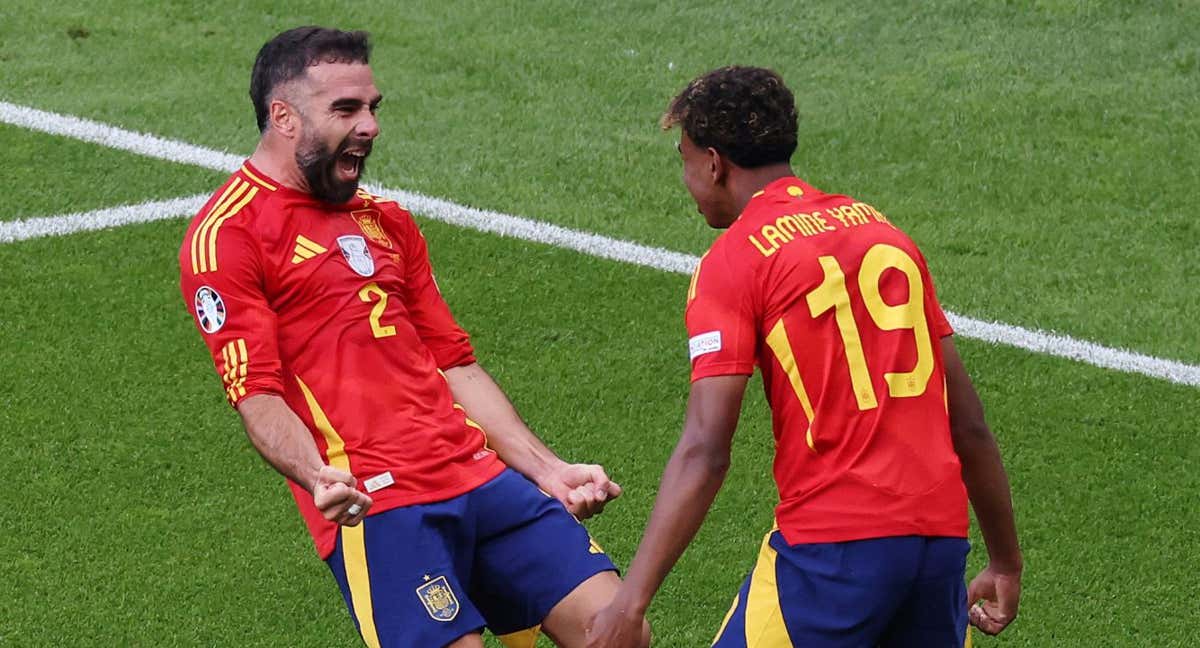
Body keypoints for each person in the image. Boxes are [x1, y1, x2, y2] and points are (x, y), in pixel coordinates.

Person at [179, 26, 648, 648]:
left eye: (373, 107)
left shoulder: (384, 219)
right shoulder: (229, 234)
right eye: (346, 109)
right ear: (284, 116)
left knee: (618, 632)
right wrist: (317, 475)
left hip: (478, 476)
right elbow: (258, 395)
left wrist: (547, 470)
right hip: (379, 505)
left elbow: (455, 364)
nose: (369, 125)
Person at [587, 66, 1022, 647]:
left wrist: (628, 603)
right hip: (938, 548)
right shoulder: (885, 234)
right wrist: (1005, 560)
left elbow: (705, 451)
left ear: (714, 163)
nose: (688, 178)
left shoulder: (736, 259)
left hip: (832, 555)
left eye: (685, 160)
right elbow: (967, 424)